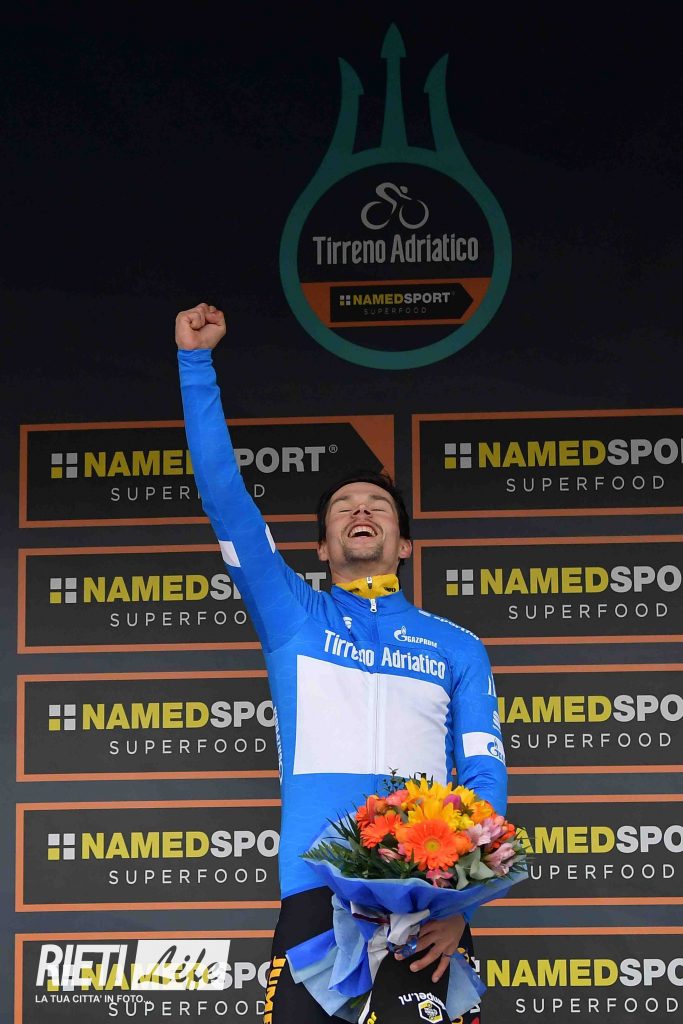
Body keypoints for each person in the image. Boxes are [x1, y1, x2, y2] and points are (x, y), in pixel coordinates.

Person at [176, 302, 507, 1023]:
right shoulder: (292, 615)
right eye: (344, 506)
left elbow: (482, 777)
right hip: (314, 904)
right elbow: (226, 500)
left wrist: (464, 905)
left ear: (405, 544)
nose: (361, 510)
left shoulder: (457, 645)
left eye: (378, 505)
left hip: (431, 913)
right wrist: (195, 366)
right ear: (322, 546)